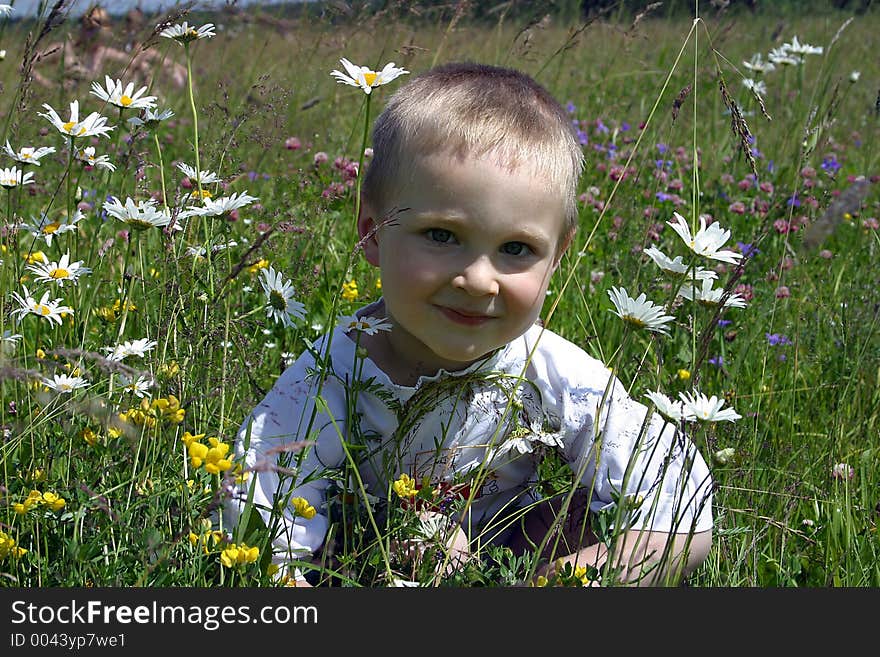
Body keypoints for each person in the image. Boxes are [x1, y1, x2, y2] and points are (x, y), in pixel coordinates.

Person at [224, 62, 714, 587]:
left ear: (556, 259)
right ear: (371, 232)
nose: (480, 281)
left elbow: (681, 503)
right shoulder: (329, 378)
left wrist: (564, 580)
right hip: (355, 559)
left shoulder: (549, 370)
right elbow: (255, 517)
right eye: (441, 235)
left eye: (516, 249)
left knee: (573, 519)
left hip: (511, 562)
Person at [32, 4, 186, 91]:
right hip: (61, 110)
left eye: (98, 26)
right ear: (81, 26)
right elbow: (25, 66)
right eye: (88, 25)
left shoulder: (104, 53)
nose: (92, 32)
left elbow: (136, 62)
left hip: (93, 112)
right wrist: (49, 86)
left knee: (139, 70)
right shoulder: (63, 49)